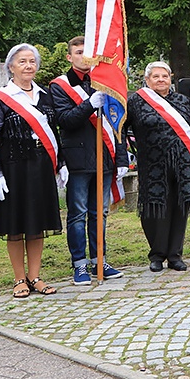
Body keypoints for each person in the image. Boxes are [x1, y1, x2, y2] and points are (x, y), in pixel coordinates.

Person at [50, 36, 128, 285]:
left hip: (104, 157)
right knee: (77, 214)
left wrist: (122, 155)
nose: (84, 57)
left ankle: (99, 260)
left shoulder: (104, 81)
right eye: (79, 52)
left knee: (100, 213)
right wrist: (89, 105)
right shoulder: (59, 86)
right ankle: (79, 265)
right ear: (69, 56)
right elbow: (65, 121)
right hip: (78, 159)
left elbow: (118, 123)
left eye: (88, 52)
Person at [0, 43, 64, 297]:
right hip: (13, 167)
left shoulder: (44, 95)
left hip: (41, 166)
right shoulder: (1, 98)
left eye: (32, 61)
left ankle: (35, 277)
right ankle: (19, 279)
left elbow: (54, 133)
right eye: (22, 61)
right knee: (16, 223)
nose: (28, 65)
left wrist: (60, 162)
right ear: (11, 66)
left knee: (37, 222)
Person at [126, 61, 190, 272]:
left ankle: (175, 254)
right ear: (147, 79)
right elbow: (121, 129)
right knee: (155, 208)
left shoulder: (181, 100)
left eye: (165, 76)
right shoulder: (136, 101)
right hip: (153, 164)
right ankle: (157, 254)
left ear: (170, 78)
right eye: (156, 76)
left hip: (183, 164)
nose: (161, 80)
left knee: (180, 207)